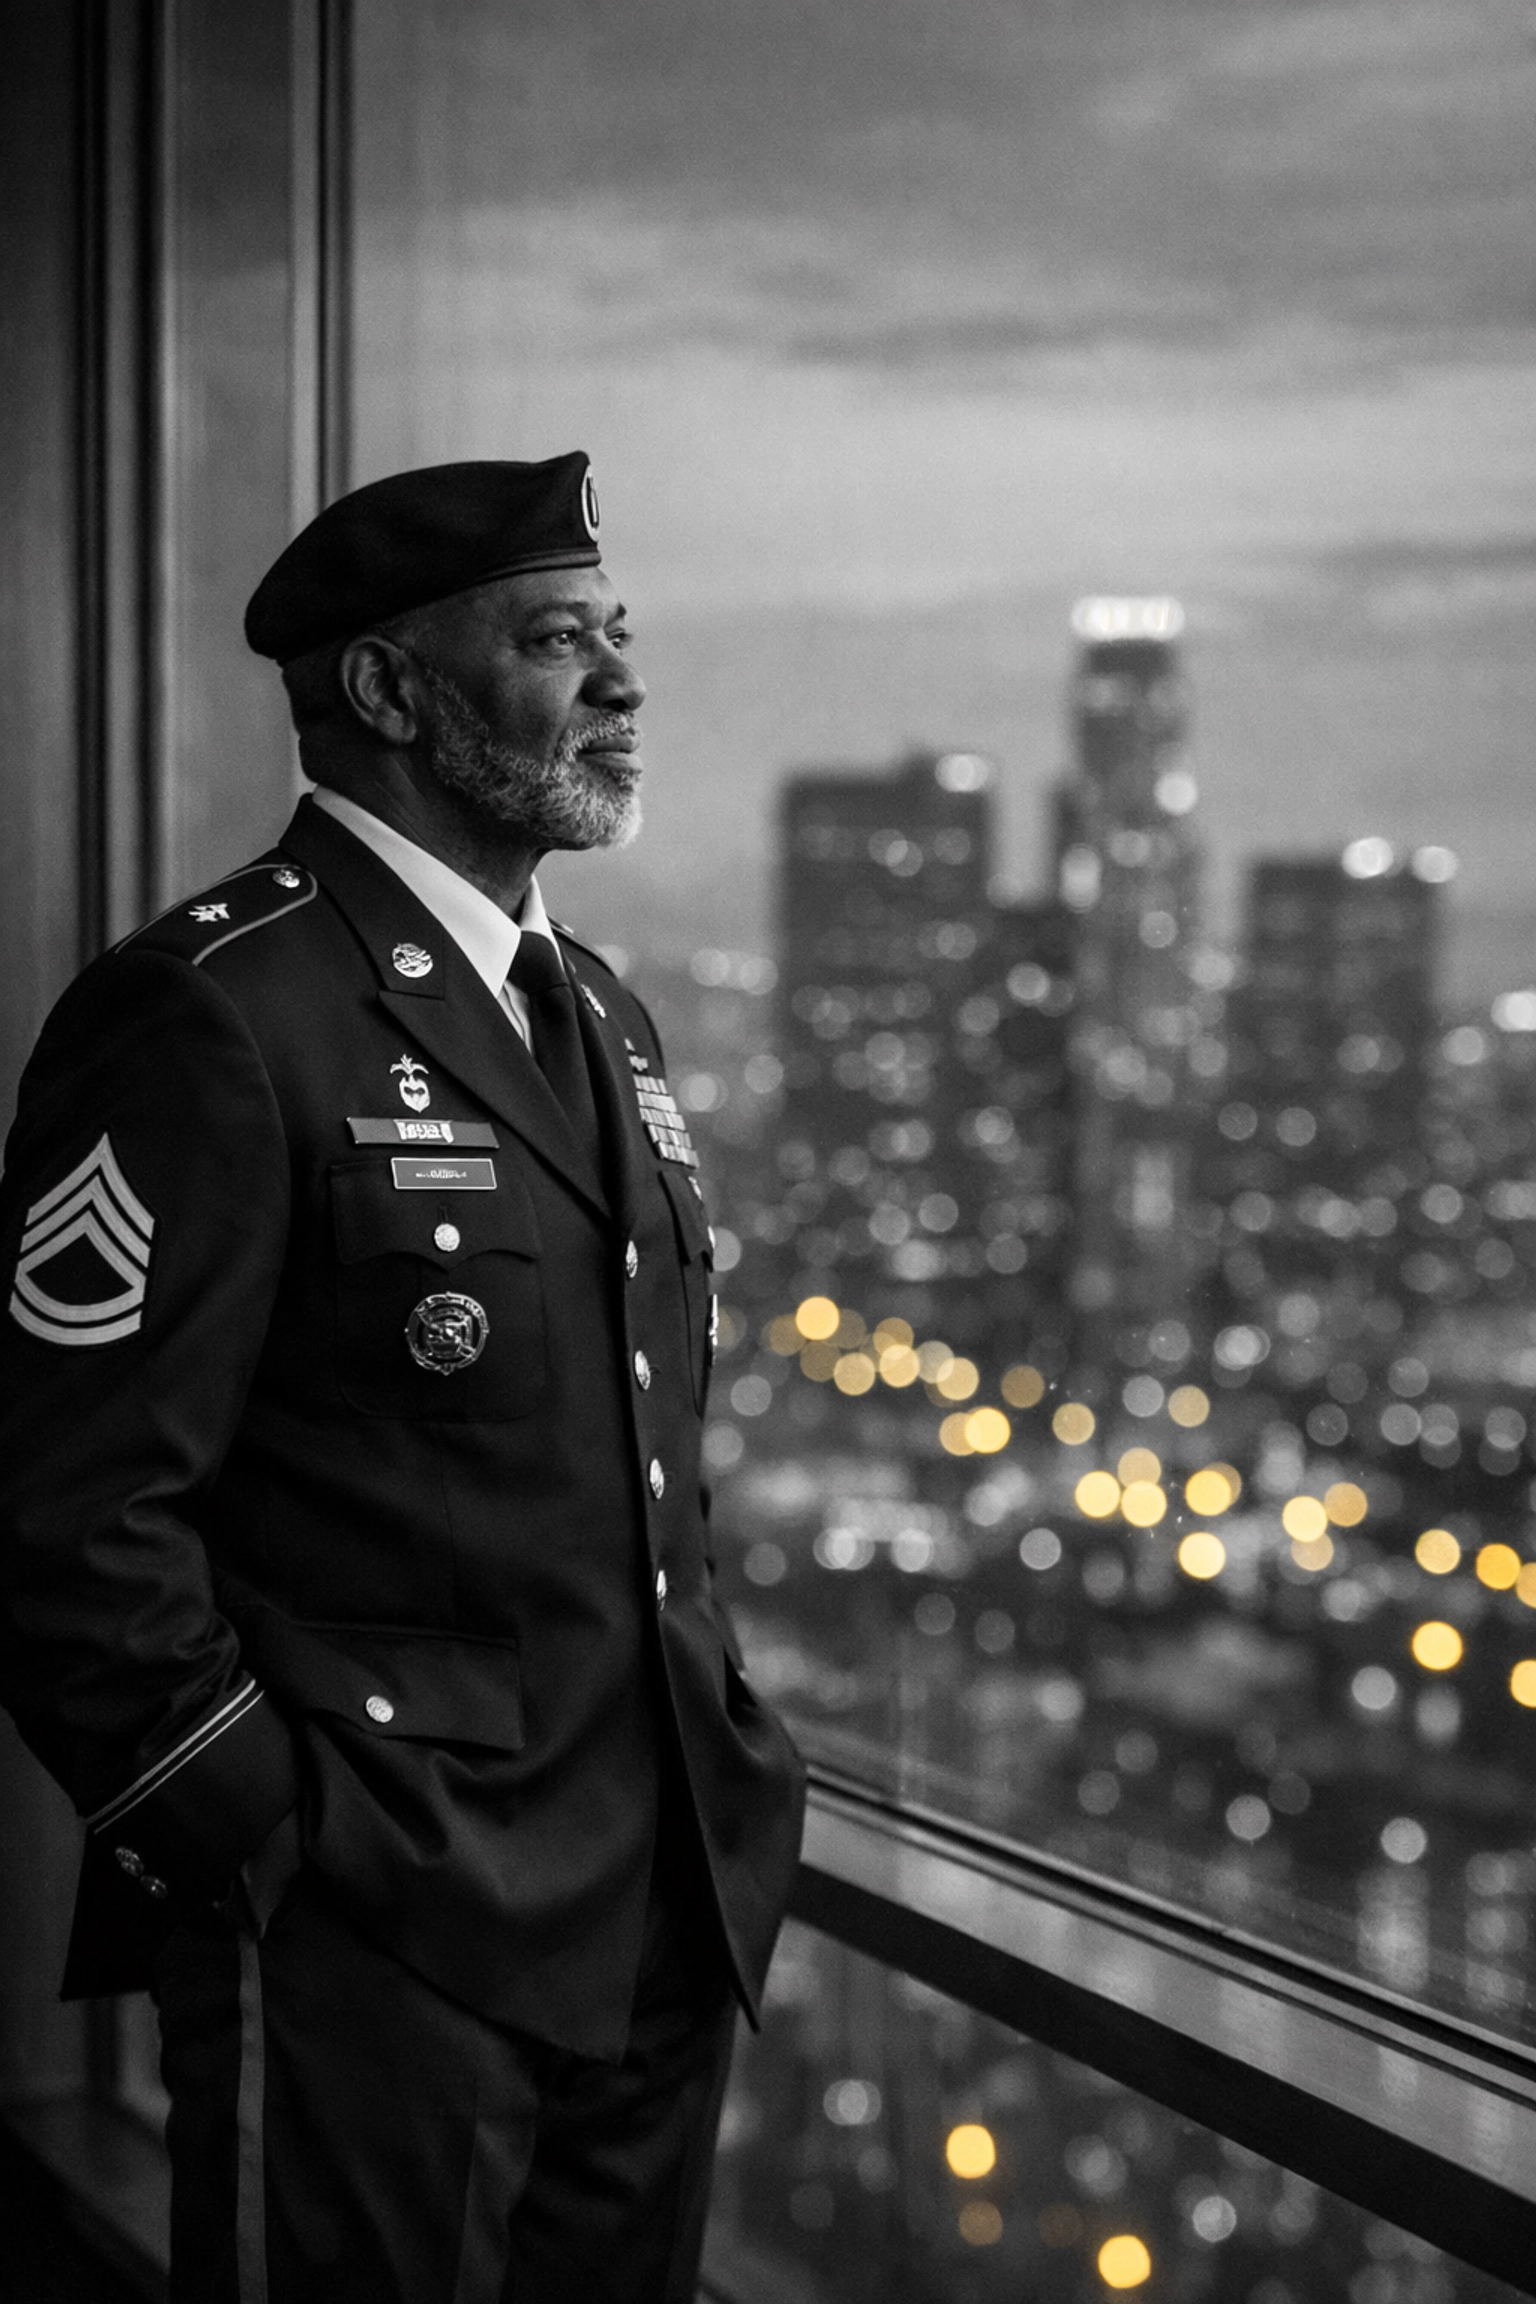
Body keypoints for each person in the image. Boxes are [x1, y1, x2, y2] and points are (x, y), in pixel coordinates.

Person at [0, 453, 805, 2302]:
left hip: (656, 1927)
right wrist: (274, 1851)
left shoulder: (600, 1013)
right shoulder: (214, 1011)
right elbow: (62, 1520)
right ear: (387, 691)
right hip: (379, 1949)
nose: (621, 683)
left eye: (618, 637)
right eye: (555, 639)